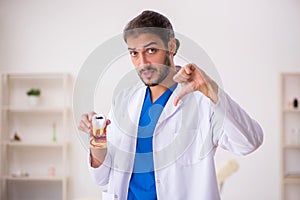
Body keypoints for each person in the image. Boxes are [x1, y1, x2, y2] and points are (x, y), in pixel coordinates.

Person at [78, 10, 263, 200]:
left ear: (171, 46)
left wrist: (212, 90)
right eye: (134, 53)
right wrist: (97, 138)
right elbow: (102, 177)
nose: (142, 63)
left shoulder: (202, 100)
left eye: (151, 51)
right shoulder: (124, 101)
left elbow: (249, 143)